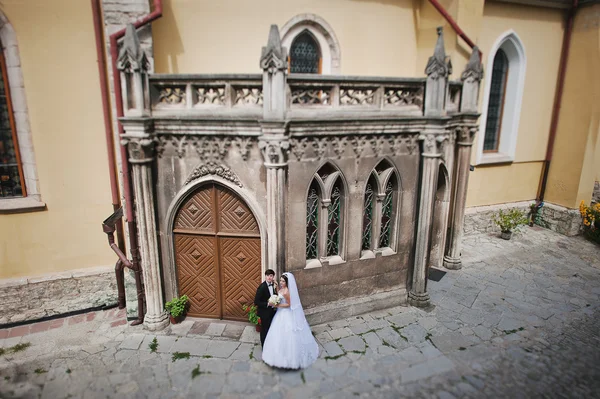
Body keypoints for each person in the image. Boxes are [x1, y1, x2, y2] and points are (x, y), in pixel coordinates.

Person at [261, 272, 319, 369]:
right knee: (277, 335)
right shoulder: (282, 289)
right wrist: (276, 289)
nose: (281, 282)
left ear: (287, 283)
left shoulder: (287, 292)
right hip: (280, 314)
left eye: (283, 281)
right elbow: (280, 294)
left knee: (288, 336)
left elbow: (289, 304)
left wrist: (277, 305)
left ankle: (290, 360)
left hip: (286, 314)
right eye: (280, 280)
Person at [254, 269, 277, 347]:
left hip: (272, 312)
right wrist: (267, 304)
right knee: (264, 330)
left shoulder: (274, 285)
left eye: (271, 276)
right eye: (267, 276)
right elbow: (256, 302)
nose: (269, 277)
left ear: (273, 276)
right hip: (264, 313)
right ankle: (264, 346)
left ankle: (270, 345)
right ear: (265, 276)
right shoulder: (262, 287)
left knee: (271, 329)